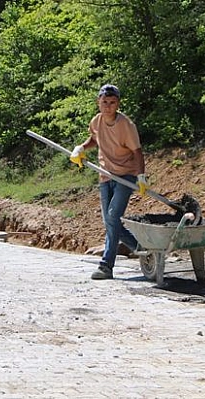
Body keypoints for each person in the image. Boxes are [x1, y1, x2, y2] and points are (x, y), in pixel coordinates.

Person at [70, 84, 148, 280]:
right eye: (104, 102)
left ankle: (106, 266)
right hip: (105, 175)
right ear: (98, 102)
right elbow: (95, 138)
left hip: (125, 175)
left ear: (118, 104)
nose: (108, 106)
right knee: (109, 221)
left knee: (113, 218)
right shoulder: (96, 121)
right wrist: (81, 148)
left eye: (112, 103)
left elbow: (137, 151)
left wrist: (141, 176)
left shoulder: (126, 125)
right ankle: (143, 249)